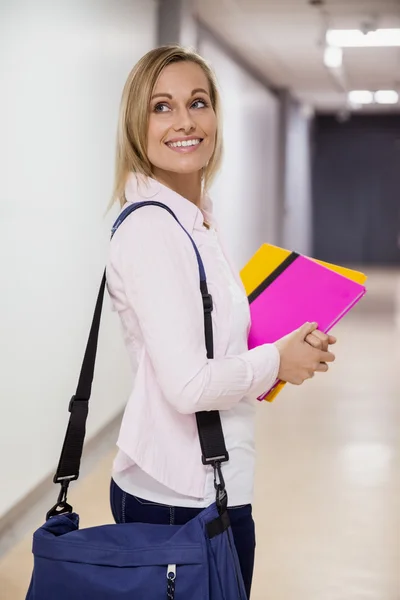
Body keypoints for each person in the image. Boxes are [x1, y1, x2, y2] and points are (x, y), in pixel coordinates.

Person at [106, 45, 336, 598]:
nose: (184, 121)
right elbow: (188, 386)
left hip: (207, 483)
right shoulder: (153, 230)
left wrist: (283, 348)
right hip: (178, 499)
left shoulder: (197, 217)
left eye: (198, 102)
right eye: (162, 107)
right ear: (137, 123)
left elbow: (211, 343)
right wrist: (278, 359)